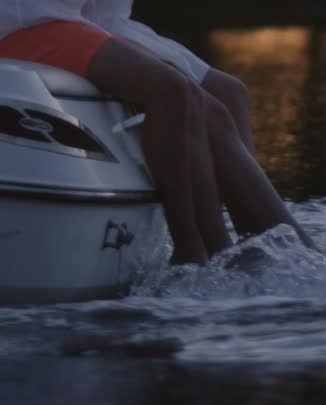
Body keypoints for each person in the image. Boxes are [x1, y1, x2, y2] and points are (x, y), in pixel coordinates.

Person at [0, 0, 309, 265]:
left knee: (230, 93)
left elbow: (105, 14)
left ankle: (263, 246)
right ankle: (197, 250)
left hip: (79, 22)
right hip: (23, 20)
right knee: (173, 91)